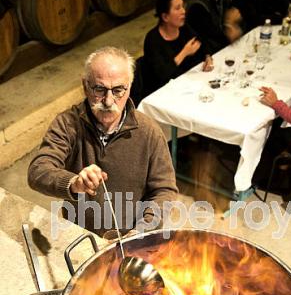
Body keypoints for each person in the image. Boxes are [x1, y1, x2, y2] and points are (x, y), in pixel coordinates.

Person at [28, 47, 178, 237]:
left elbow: (164, 190)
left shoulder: (149, 132)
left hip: (129, 237)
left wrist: (142, 230)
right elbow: (38, 171)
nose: (108, 101)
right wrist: (74, 183)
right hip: (79, 237)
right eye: (99, 89)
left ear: (129, 87)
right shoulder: (68, 124)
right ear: (85, 85)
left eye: (118, 90)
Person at [143, 0, 213, 96]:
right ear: (165, 17)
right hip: (164, 92)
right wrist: (184, 52)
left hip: (187, 85)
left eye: (183, 6)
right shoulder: (153, 39)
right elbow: (162, 74)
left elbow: (203, 43)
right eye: (177, 8)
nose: (183, 11)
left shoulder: (184, 28)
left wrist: (208, 57)